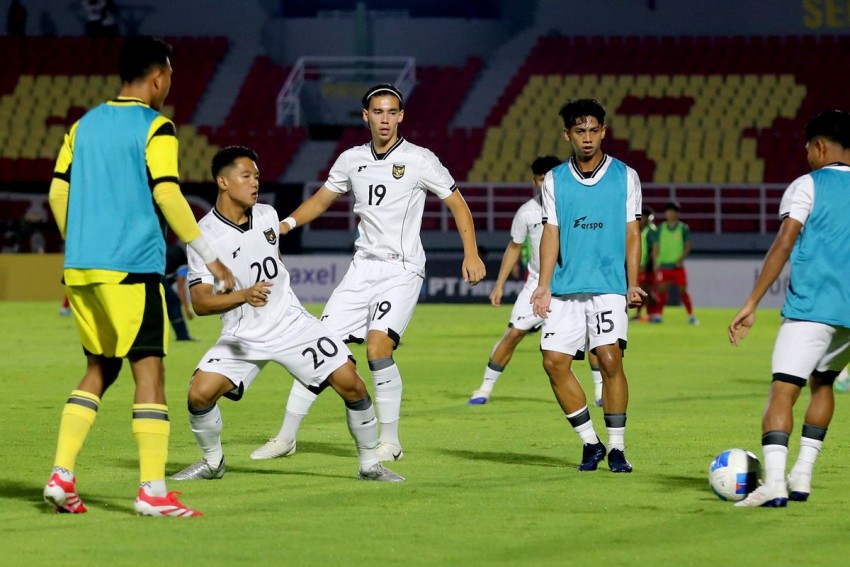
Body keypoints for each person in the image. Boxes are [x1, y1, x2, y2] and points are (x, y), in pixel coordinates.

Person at [43, 36, 235, 518]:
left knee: (100, 367)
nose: (169, 84)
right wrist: (210, 256)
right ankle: (152, 491)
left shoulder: (82, 126)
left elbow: (56, 194)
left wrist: (82, 240)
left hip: (83, 269)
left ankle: (61, 475)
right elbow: (168, 194)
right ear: (157, 78)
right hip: (131, 268)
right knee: (150, 370)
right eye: (169, 75)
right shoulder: (156, 126)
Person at [251, 83, 486, 462]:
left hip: (402, 269)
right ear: (366, 116)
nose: (385, 119)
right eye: (378, 112)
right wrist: (287, 224)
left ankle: (390, 442)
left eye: (392, 112)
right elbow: (323, 198)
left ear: (401, 116)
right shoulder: (350, 159)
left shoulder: (420, 159)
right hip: (361, 269)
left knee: (379, 348)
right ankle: (286, 437)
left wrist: (471, 254)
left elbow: (458, 204)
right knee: (321, 348)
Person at [171, 146, 403, 483]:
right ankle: (212, 462)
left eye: (257, 177)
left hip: (293, 324)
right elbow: (200, 303)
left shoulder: (266, 215)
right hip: (243, 334)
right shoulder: (204, 236)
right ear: (223, 181)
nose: (255, 183)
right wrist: (242, 296)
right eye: (246, 176)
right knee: (199, 394)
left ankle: (370, 464)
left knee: (352, 384)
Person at [728, 110, 850, 507]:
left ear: (818, 147)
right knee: (825, 382)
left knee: (783, 389)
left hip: (812, 308)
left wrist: (752, 302)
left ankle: (775, 483)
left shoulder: (807, 185)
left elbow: (784, 243)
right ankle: (803, 476)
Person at [530, 98, 644, 473]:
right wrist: (544, 285)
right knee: (554, 362)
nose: (588, 137)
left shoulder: (625, 176)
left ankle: (617, 448)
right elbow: (551, 231)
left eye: (594, 130)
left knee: (610, 358)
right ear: (567, 135)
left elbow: (632, 233)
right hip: (566, 286)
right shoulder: (554, 180)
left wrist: (633, 283)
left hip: (609, 285)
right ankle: (590, 443)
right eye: (580, 131)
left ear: (604, 132)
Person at [468, 155, 561, 405]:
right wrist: (499, 285)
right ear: (535, 182)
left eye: (551, 179)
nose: (547, 184)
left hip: (570, 284)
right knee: (513, 334)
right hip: (537, 285)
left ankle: (598, 393)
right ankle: (484, 389)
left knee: (591, 336)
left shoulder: (576, 208)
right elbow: (514, 247)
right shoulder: (527, 212)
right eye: (542, 179)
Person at [652, 200, 697, 324]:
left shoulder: (683, 228)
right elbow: (656, 246)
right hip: (664, 265)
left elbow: (688, 245)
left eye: (672, 211)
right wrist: (656, 261)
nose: (669, 213)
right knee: (661, 290)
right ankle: (658, 315)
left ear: (677, 213)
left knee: (683, 290)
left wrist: (680, 259)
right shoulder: (661, 228)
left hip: (677, 266)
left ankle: (691, 315)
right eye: (668, 211)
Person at [163, 242, 195, 341]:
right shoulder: (183, 262)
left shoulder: (174, 250)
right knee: (174, 302)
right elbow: (181, 287)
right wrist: (187, 309)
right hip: (157, 277)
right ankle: (182, 336)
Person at [632, 206, 659, 322]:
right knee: (641, 290)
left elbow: (654, 248)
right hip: (640, 265)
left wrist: (652, 263)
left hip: (648, 266)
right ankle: (641, 314)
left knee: (646, 291)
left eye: (643, 216)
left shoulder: (651, 230)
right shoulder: (639, 229)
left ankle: (652, 313)